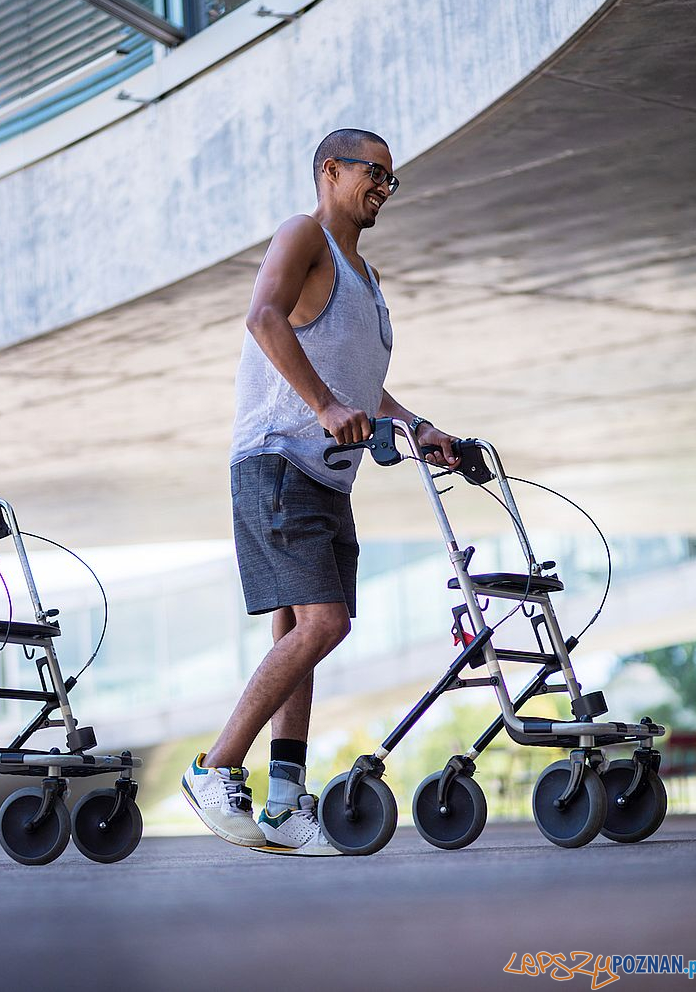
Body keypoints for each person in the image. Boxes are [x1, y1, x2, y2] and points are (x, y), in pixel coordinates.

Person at [183, 129, 461, 854]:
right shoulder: (304, 235)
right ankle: (213, 768)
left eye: (391, 180)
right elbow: (263, 317)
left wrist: (418, 426)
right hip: (278, 461)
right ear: (331, 170)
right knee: (323, 624)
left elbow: (361, 386)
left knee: (300, 636)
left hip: (327, 477)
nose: (384, 188)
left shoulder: (365, 276)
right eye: (375, 173)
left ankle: (283, 801)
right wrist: (324, 406)